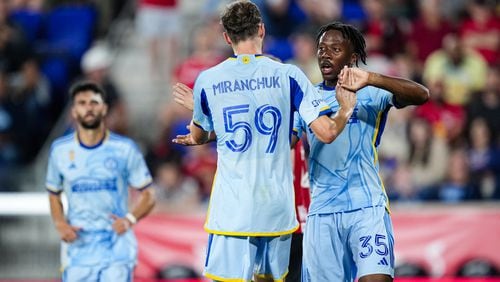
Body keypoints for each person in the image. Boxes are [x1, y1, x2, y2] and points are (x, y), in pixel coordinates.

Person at [172, 1, 357, 281]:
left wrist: (199, 114)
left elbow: (198, 136)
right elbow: (327, 133)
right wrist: (344, 110)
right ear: (261, 29)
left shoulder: (207, 80)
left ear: (226, 37)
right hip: (276, 210)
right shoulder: (290, 75)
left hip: (231, 212)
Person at [293, 22, 429, 282]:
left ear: (352, 57)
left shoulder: (372, 93)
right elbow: (287, 142)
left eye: (335, 48)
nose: (325, 54)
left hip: (367, 207)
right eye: (321, 48)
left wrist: (372, 78)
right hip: (322, 212)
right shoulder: (307, 98)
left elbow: (421, 95)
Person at [45, 81, 156, 281]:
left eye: (94, 102)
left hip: (116, 246)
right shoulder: (60, 151)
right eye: (82, 103)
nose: (88, 108)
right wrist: (60, 224)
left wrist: (130, 219)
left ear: (104, 109)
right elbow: (53, 193)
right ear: (74, 111)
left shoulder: (124, 149)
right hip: (78, 249)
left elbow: (149, 194)